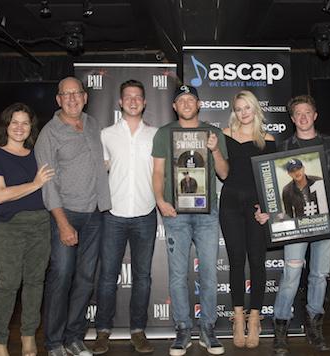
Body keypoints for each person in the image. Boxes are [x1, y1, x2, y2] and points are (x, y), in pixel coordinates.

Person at [255, 94, 330, 355]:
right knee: (292, 275)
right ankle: (281, 329)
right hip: (295, 225)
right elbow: (272, 188)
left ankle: (315, 329)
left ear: (315, 115)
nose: (303, 117)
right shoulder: (284, 147)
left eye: (308, 112)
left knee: (319, 275)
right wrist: (268, 213)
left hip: (325, 221)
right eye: (298, 113)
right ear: (292, 118)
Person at [35, 77, 112, 356]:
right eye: (65, 94)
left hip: (95, 214)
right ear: (58, 100)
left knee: (85, 278)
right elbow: (48, 183)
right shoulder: (49, 133)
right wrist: (63, 223)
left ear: (84, 96)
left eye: (76, 93)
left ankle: (75, 338)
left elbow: (100, 161)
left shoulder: (93, 125)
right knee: (61, 276)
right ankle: (54, 343)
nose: (71, 98)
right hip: (65, 214)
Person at [152, 84, 229, 356]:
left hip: (207, 213)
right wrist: (161, 201)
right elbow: (158, 172)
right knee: (177, 275)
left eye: (191, 99)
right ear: (175, 106)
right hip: (175, 214)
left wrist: (216, 149)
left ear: (199, 104)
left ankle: (208, 328)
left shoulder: (213, 133)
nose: (186, 103)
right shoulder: (164, 134)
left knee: (209, 272)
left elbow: (224, 174)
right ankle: (183, 327)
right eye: (181, 99)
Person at [91, 80, 158, 355]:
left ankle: (137, 330)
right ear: (120, 102)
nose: (132, 101)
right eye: (127, 97)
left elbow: (162, 174)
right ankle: (102, 331)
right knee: (107, 277)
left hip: (145, 213)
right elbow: (99, 170)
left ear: (144, 103)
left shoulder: (156, 135)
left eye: (137, 97)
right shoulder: (106, 135)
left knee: (143, 278)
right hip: (113, 215)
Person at [0, 103, 54, 356]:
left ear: (31, 127)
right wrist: (35, 184)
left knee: (35, 282)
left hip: (41, 224)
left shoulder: (38, 154)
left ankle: (28, 337)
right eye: (15, 122)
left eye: (25, 123)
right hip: (9, 227)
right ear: (6, 125)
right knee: (8, 284)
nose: (19, 127)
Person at [219, 90, 275, 349]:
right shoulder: (225, 135)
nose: (243, 113)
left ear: (255, 109)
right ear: (234, 111)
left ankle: (255, 319)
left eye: (247, 108)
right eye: (238, 108)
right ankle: (238, 318)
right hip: (229, 202)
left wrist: (266, 209)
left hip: (256, 206)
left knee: (257, 261)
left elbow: (271, 180)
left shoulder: (267, 139)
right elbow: (221, 172)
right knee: (237, 261)